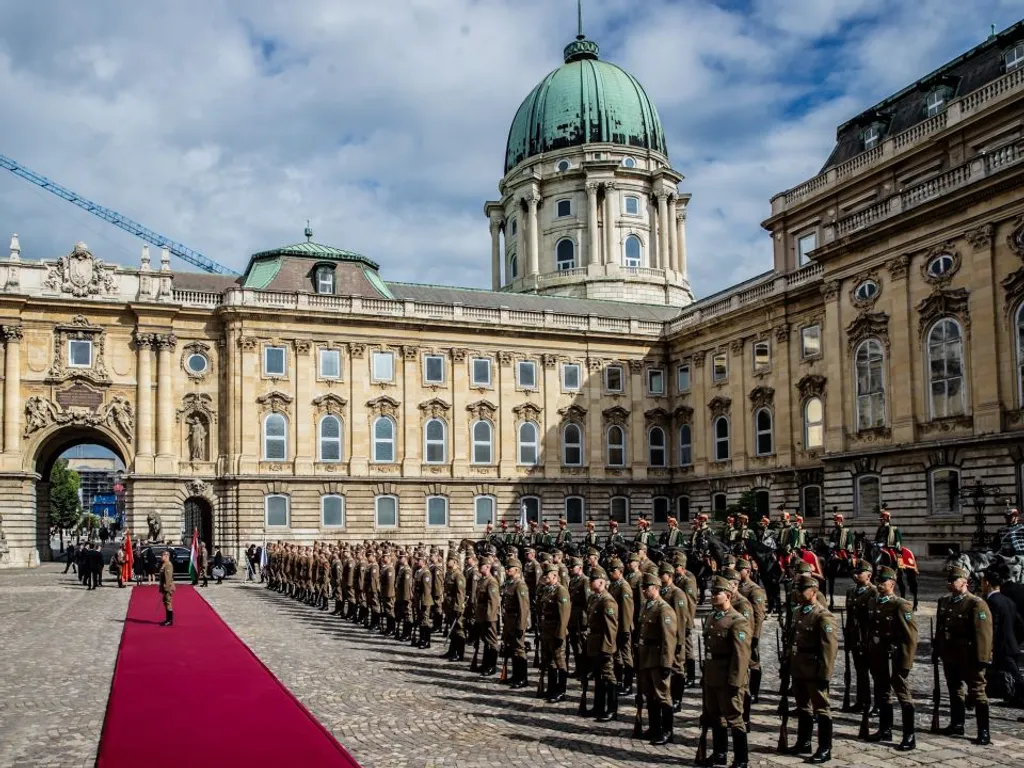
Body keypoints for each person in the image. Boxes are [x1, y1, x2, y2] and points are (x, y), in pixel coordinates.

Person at [935, 565, 993, 745]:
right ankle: (957, 724)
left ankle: (983, 731)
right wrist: (937, 649)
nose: (949, 584)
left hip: (968, 655)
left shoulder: (976, 603)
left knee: (977, 692)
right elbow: (940, 629)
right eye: (948, 580)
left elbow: (983, 634)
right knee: (954, 690)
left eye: (953, 580)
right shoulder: (944, 601)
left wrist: (982, 659)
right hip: (950, 654)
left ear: (964, 582)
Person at [786, 573, 839, 763]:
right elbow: (792, 640)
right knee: (803, 707)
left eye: (802, 590)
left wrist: (825, 674)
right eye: (797, 589)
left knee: (821, 709)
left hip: (814, 668)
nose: (798, 593)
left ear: (814, 591)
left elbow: (829, 648)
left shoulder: (823, 616)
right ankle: (804, 741)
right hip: (799, 667)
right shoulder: (799, 612)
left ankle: (825, 747)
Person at [702, 576, 752, 767]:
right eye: (712, 593)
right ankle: (720, 753)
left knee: (734, 718)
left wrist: (735, 681)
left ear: (728, 596)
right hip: (712, 674)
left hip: (727, 676)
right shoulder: (712, 617)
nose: (713, 596)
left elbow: (741, 656)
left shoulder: (737, 621)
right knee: (715, 716)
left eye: (717, 593)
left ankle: (741, 759)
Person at [638, 570, 678, 745]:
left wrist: (666, 663)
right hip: (646, 655)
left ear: (655, 588)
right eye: (643, 587)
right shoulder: (647, 606)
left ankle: (667, 731)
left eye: (646, 588)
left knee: (662, 695)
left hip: (657, 656)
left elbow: (669, 639)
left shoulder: (664, 609)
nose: (644, 590)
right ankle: (654, 727)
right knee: (650, 694)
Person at [980, 567, 1024, 706]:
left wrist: (990, 647)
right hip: (1012, 645)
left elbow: (992, 628)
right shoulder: (1008, 601)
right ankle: (1014, 698)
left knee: (1017, 677)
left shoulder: (992, 602)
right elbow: (1020, 624)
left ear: (987, 583)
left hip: (1002, 647)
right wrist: (1015, 641)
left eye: (982, 582)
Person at [585, 566, 618, 721]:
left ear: (602, 582)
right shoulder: (593, 598)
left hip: (603, 644)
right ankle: (598, 706)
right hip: (594, 642)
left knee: (608, 676)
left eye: (594, 580)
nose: (591, 582)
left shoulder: (607, 601)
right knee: (598, 676)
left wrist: (607, 649)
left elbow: (611, 628)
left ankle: (611, 708)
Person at [846, 560, 876, 714]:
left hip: (869, 638)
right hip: (855, 637)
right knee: (860, 670)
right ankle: (862, 701)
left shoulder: (874, 592)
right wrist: (848, 636)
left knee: (875, 672)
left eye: (860, 573)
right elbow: (850, 617)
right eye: (855, 572)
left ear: (869, 575)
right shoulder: (851, 592)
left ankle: (877, 705)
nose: (856, 575)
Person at [539, 562, 571, 702]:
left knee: (559, 660)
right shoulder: (547, 589)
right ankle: (551, 688)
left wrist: (560, 633)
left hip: (556, 630)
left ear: (554, 575)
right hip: (547, 629)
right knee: (550, 660)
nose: (544, 577)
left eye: (546, 575)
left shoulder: (561, 590)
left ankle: (561, 691)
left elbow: (564, 615)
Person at [500, 558, 531, 689]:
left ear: (517, 570)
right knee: (511, 648)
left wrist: (521, 625)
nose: (506, 570)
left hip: (517, 620)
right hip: (509, 620)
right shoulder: (509, 584)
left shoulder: (520, 585)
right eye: (506, 568)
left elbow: (524, 608)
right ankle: (515, 675)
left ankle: (522, 677)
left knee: (519, 649)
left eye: (509, 568)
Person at [159, 548, 175, 626]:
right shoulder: (164, 564)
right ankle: (167, 619)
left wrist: (166, 589)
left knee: (168, 602)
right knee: (165, 602)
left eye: (162, 555)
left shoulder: (168, 565)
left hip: (168, 587)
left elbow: (168, 579)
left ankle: (170, 620)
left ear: (167, 556)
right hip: (164, 587)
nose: (161, 557)